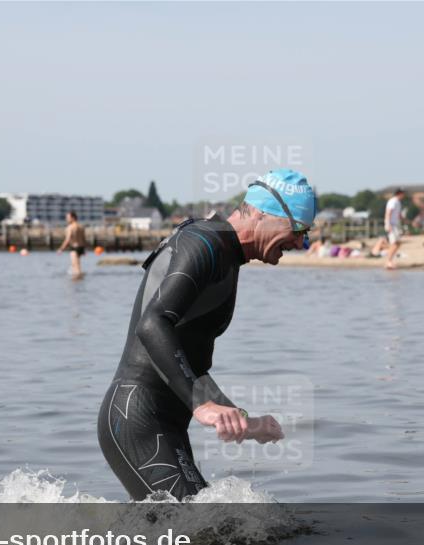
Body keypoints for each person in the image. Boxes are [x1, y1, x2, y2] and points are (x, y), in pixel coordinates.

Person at [97, 168, 313, 500]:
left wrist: (245, 421)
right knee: (201, 536)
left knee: (210, 533)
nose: (301, 243)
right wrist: (202, 406)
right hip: (136, 415)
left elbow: (193, 365)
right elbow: (153, 323)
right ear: (261, 214)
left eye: (306, 234)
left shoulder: (227, 257)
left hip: (165, 423)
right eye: (298, 229)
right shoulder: (204, 243)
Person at [372, 189, 405, 269]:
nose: (404, 196)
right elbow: (388, 212)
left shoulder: (398, 202)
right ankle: (388, 261)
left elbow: (398, 214)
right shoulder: (393, 201)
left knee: (397, 243)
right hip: (392, 225)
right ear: (399, 194)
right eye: (403, 194)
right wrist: (388, 224)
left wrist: (405, 220)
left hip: (395, 224)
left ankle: (389, 260)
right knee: (395, 243)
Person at [57, 210, 87, 277]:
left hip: (74, 248)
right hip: (81, 248)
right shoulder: (81, 227)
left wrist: (61, 249)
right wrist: (84, 250)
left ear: (73, 218)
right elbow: (84, 239)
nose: (66, 219)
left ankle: (77, 284)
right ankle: (79, 282)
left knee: (76, 267)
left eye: (68, 218)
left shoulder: (70, 227)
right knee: (76, 265)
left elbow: (67, 240)